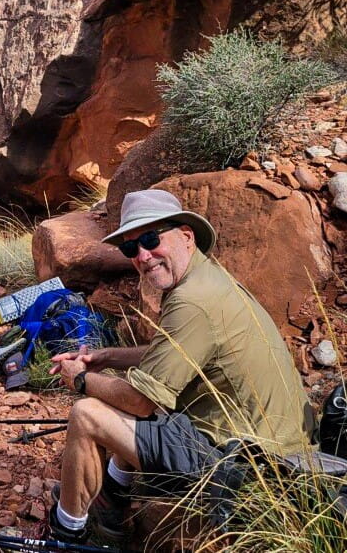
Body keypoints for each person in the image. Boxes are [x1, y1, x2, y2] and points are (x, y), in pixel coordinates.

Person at [46, 189, 316, 544]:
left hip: (251, 464)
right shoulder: (206, 278)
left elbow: (143, 401)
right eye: (131, 248)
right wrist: (106, 357)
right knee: (134, 386)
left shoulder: (192, 301)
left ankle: (67, 533)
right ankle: (112, 496)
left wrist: (80, 378)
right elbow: (171, 354)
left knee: (88, 413)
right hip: (274, 443)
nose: (142, 255)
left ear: (186, 237)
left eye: (150, 239)